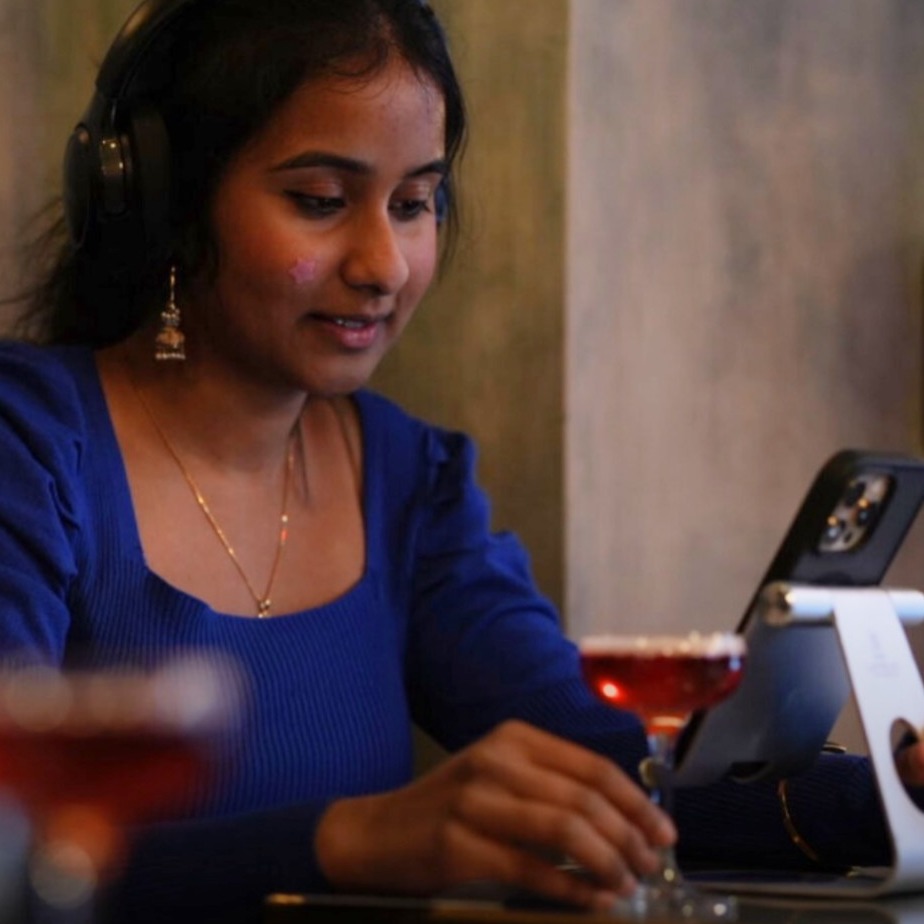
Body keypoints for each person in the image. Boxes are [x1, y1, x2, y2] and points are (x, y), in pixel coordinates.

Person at [1, 0, 922, 921]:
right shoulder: (30, 441)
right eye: (320, 202)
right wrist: (349, 841)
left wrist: (892, 784)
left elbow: (603, 763)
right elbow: (14, 847)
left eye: (413, 204)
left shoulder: (411, 479)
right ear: (163, 200)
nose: (385, 265)